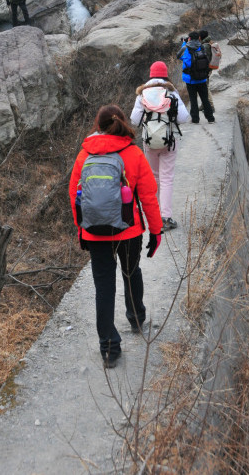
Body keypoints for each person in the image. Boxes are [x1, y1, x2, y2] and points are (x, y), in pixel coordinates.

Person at [69, 104, 163, 368]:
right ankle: (135, 318)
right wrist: (155, 232)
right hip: (128, 230)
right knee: (131, 272)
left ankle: (109, 348)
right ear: (122, 123)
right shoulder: (133, 154)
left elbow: (74, 195)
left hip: (95, 233)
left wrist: (82, 229)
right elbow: (147, 197)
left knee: (104, 286)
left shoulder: (84, 155)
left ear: (97, 126)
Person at [130, 61, 190, 232]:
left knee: (154, 177)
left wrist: (149, 121)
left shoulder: (142, 94)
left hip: (149, 141)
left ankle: (154, 218)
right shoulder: (171, 92)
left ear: (150, 75)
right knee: (167, 177)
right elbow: (184, 118)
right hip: (169, 140)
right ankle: (166, 217)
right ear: (165, 75)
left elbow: (134, 120)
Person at [177, 31, 215, 124]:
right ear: (199, 38)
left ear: (189, 38)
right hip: (202, 78)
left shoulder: (186, 48)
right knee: (205, 99)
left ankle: (195, 119)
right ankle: (210, 118)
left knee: (193, 99)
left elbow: (179, 56)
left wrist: (184, 43)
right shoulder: (202, 47)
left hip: (190, 79)